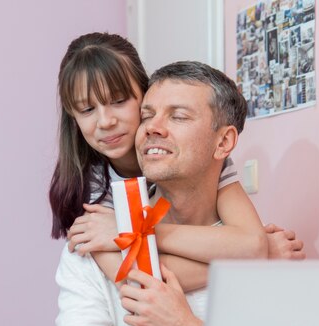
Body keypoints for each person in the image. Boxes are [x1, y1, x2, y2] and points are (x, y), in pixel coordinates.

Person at [51, 61, 273, 326]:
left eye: (179, 115)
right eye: (149, 115)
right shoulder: (92, 238)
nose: (150, 127)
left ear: (223, 143)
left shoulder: (264, 250)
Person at [49, 32, 303, 293]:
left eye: (118, 101)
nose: (105, 121)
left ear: (145, 94)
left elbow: (250, 244)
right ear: (73, 117)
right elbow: (135, 276)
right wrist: (250, 262)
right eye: (87, 110)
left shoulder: (196, 158)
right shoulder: (88, 187)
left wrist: (131, 230)